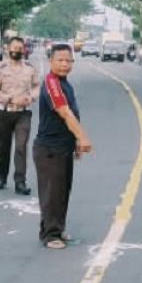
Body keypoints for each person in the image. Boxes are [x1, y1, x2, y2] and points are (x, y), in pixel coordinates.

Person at [33, 43, 93, 249]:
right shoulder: (51, 83)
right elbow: (65, 113)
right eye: (60, 60)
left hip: (63, 146)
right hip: (50, 148)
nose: (65, 64)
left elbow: (73, 113)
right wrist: (83, 137)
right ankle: (50, 235)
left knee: (62, 191)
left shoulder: (66, 84)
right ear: (51, 61)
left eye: (69, 61)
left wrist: (75, 140)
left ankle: (57, 229)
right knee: (52, 193)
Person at [0, 36, 40, 194]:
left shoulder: (30, 69)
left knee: (20, 146)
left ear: (24, 50)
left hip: (22, 114)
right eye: (14, 48)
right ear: (7, 49)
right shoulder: (0, 69)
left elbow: (37, 86)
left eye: (20, 49)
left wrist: (30, 97)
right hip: (4, 111)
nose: (17, 51)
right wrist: (10, 98)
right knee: (3, 146)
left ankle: (20, 181)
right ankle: (1, 177)